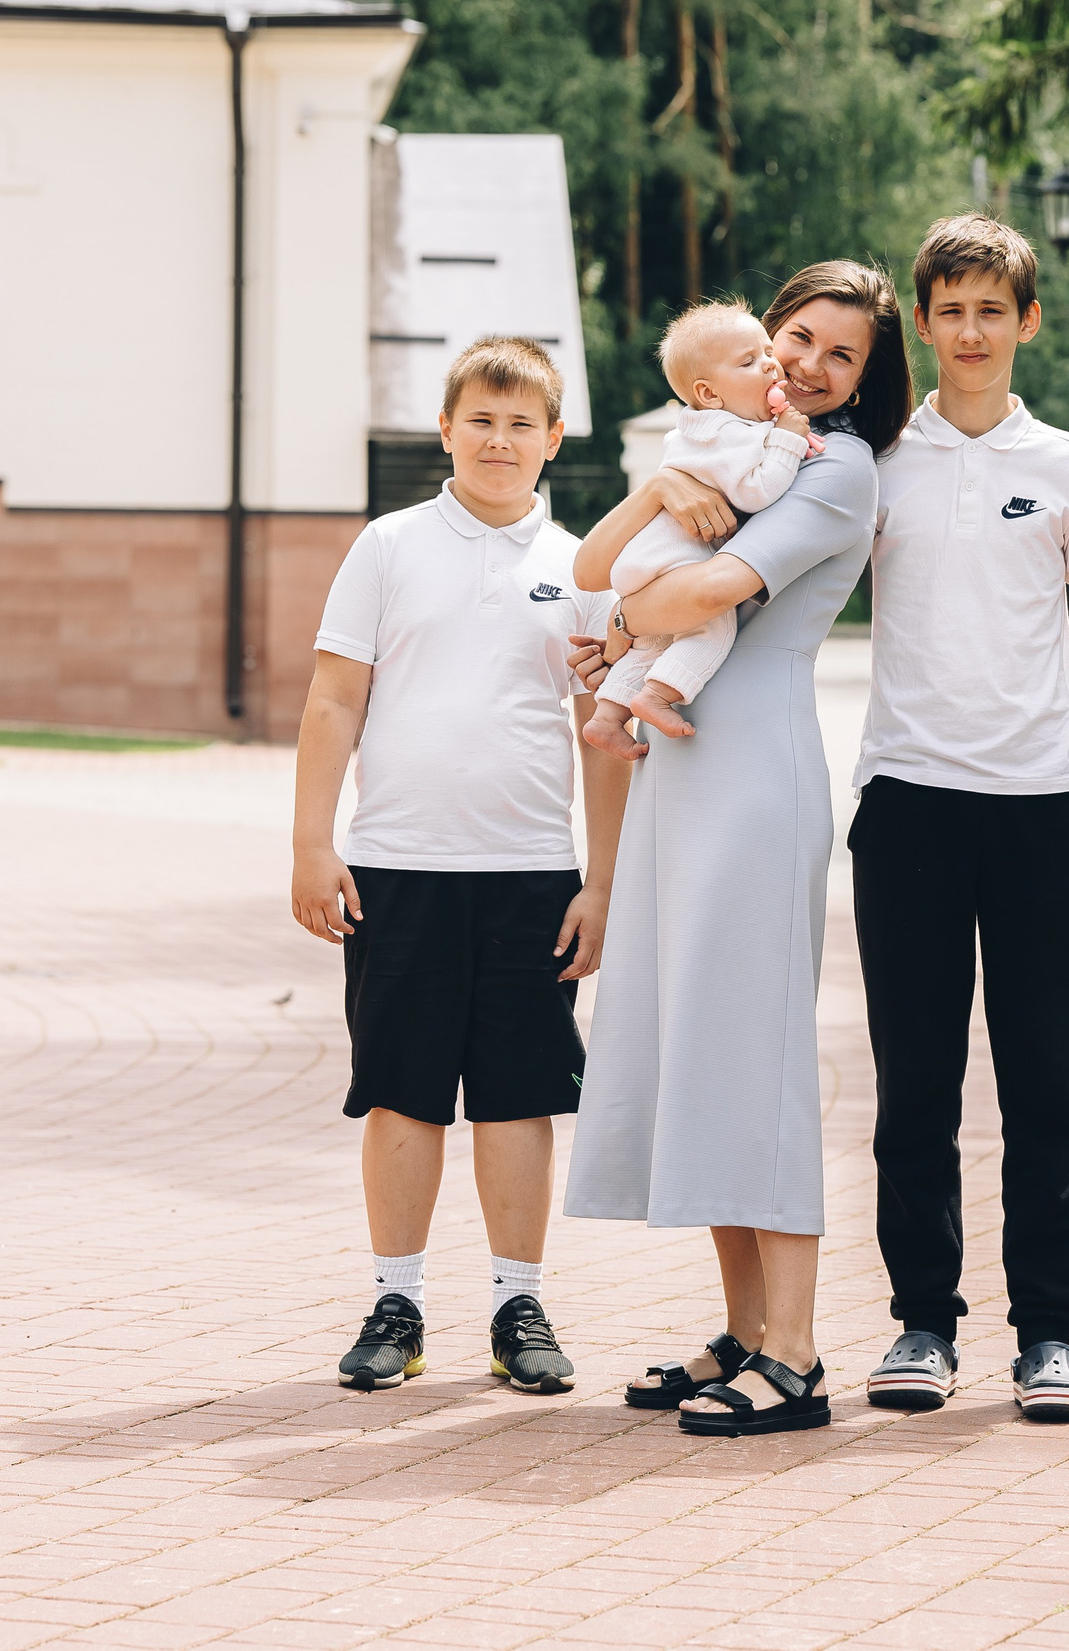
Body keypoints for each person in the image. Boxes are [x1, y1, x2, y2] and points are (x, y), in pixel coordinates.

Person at [562, 261, 915, 1437]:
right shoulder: (724, 442)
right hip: (679, 768)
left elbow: (696, 587)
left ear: (866, 382)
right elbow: (595, 566)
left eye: (840, 355)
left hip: (756, 774)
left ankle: (800, 1354)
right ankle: (744, 1331)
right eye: (796, 338)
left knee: (754, 1055)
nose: (810, 365)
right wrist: (643, 531)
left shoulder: (839, 469)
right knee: (692, 1041)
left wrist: (614, 625)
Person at [852, 214, 1069, 1425]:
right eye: (950, 309)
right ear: (920, 322)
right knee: (913, 1085)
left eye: (993, 310)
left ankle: (1049, 1336)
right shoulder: (872, 464)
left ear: (1027, 321)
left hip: (1040, 810)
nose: (971, 331)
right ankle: (922, 1323)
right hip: (909, 805)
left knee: (1047, 1085)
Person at [290, 335, 630, 1396]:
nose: (498, 439)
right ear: (446, 430)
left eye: (520, 423)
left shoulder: (581, 571)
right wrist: (311, 841)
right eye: (479, 420)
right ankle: (397, 1301)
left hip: (531, 873)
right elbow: (335, 697)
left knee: (517, 1099)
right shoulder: (387, 547)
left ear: (553, 441)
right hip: (396, 868)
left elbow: (602, 730)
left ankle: (515, 1303)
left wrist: (603, 879)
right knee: (402, 1094)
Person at [580, 299, 822, 758]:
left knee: (650, 645)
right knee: (712, 628)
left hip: (646, 563)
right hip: (673, 562)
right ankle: (656, 697)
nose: (771, 364)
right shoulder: (731, 433)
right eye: (750, 362)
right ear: (709, 394)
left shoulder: (698, 430)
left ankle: (607, 716)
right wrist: (789, 439)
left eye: (768, 351)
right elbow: (756, 492)